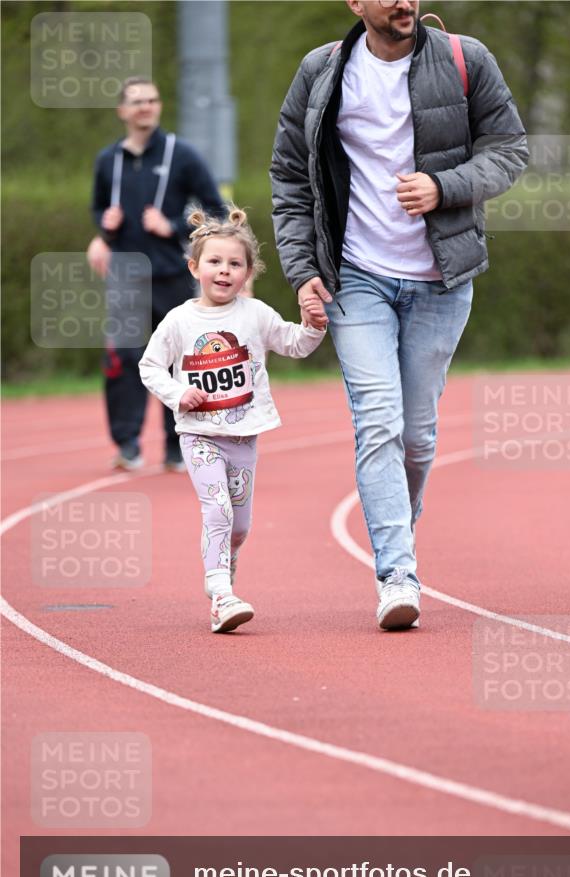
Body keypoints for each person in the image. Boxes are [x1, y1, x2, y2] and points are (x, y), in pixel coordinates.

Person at [271, 0, 529, 630]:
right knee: (378, 422)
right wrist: (305, 270)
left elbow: (510, 149)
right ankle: (396, 574)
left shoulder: (467, 61)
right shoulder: (322, 70)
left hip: (441, 281)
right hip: (358, 278)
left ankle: (396, 538)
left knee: (417, 437)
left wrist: (445, 187)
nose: (404, 1)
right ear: (357, 4)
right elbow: (290, 176)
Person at [139, 208, 327, 632]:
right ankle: (221, 594)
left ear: (247, 272)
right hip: (199, 434)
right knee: (217, 510)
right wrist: (177, 393)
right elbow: (150, 367)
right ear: (195, 267)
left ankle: (226, 560)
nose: (224, 271)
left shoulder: (255, 314)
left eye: (235, 264)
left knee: (240, 526)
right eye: (215, 262)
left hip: (243, 437)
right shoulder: (179, 321)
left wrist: (313, 327)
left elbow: (293, 344)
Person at [90, 76, 227, 472]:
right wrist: (104, 226)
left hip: (171, 274)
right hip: (125, 276)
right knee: (125, 360)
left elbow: (215, 212)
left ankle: (176, 447)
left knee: (178, 363)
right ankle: (127, 445)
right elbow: (98, 209)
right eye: (136, 102)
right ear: (122, 111)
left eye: (151, 100)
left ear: (159, 106)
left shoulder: (182, 154)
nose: (144, 107)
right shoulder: (107, 160)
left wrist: (173, 225)